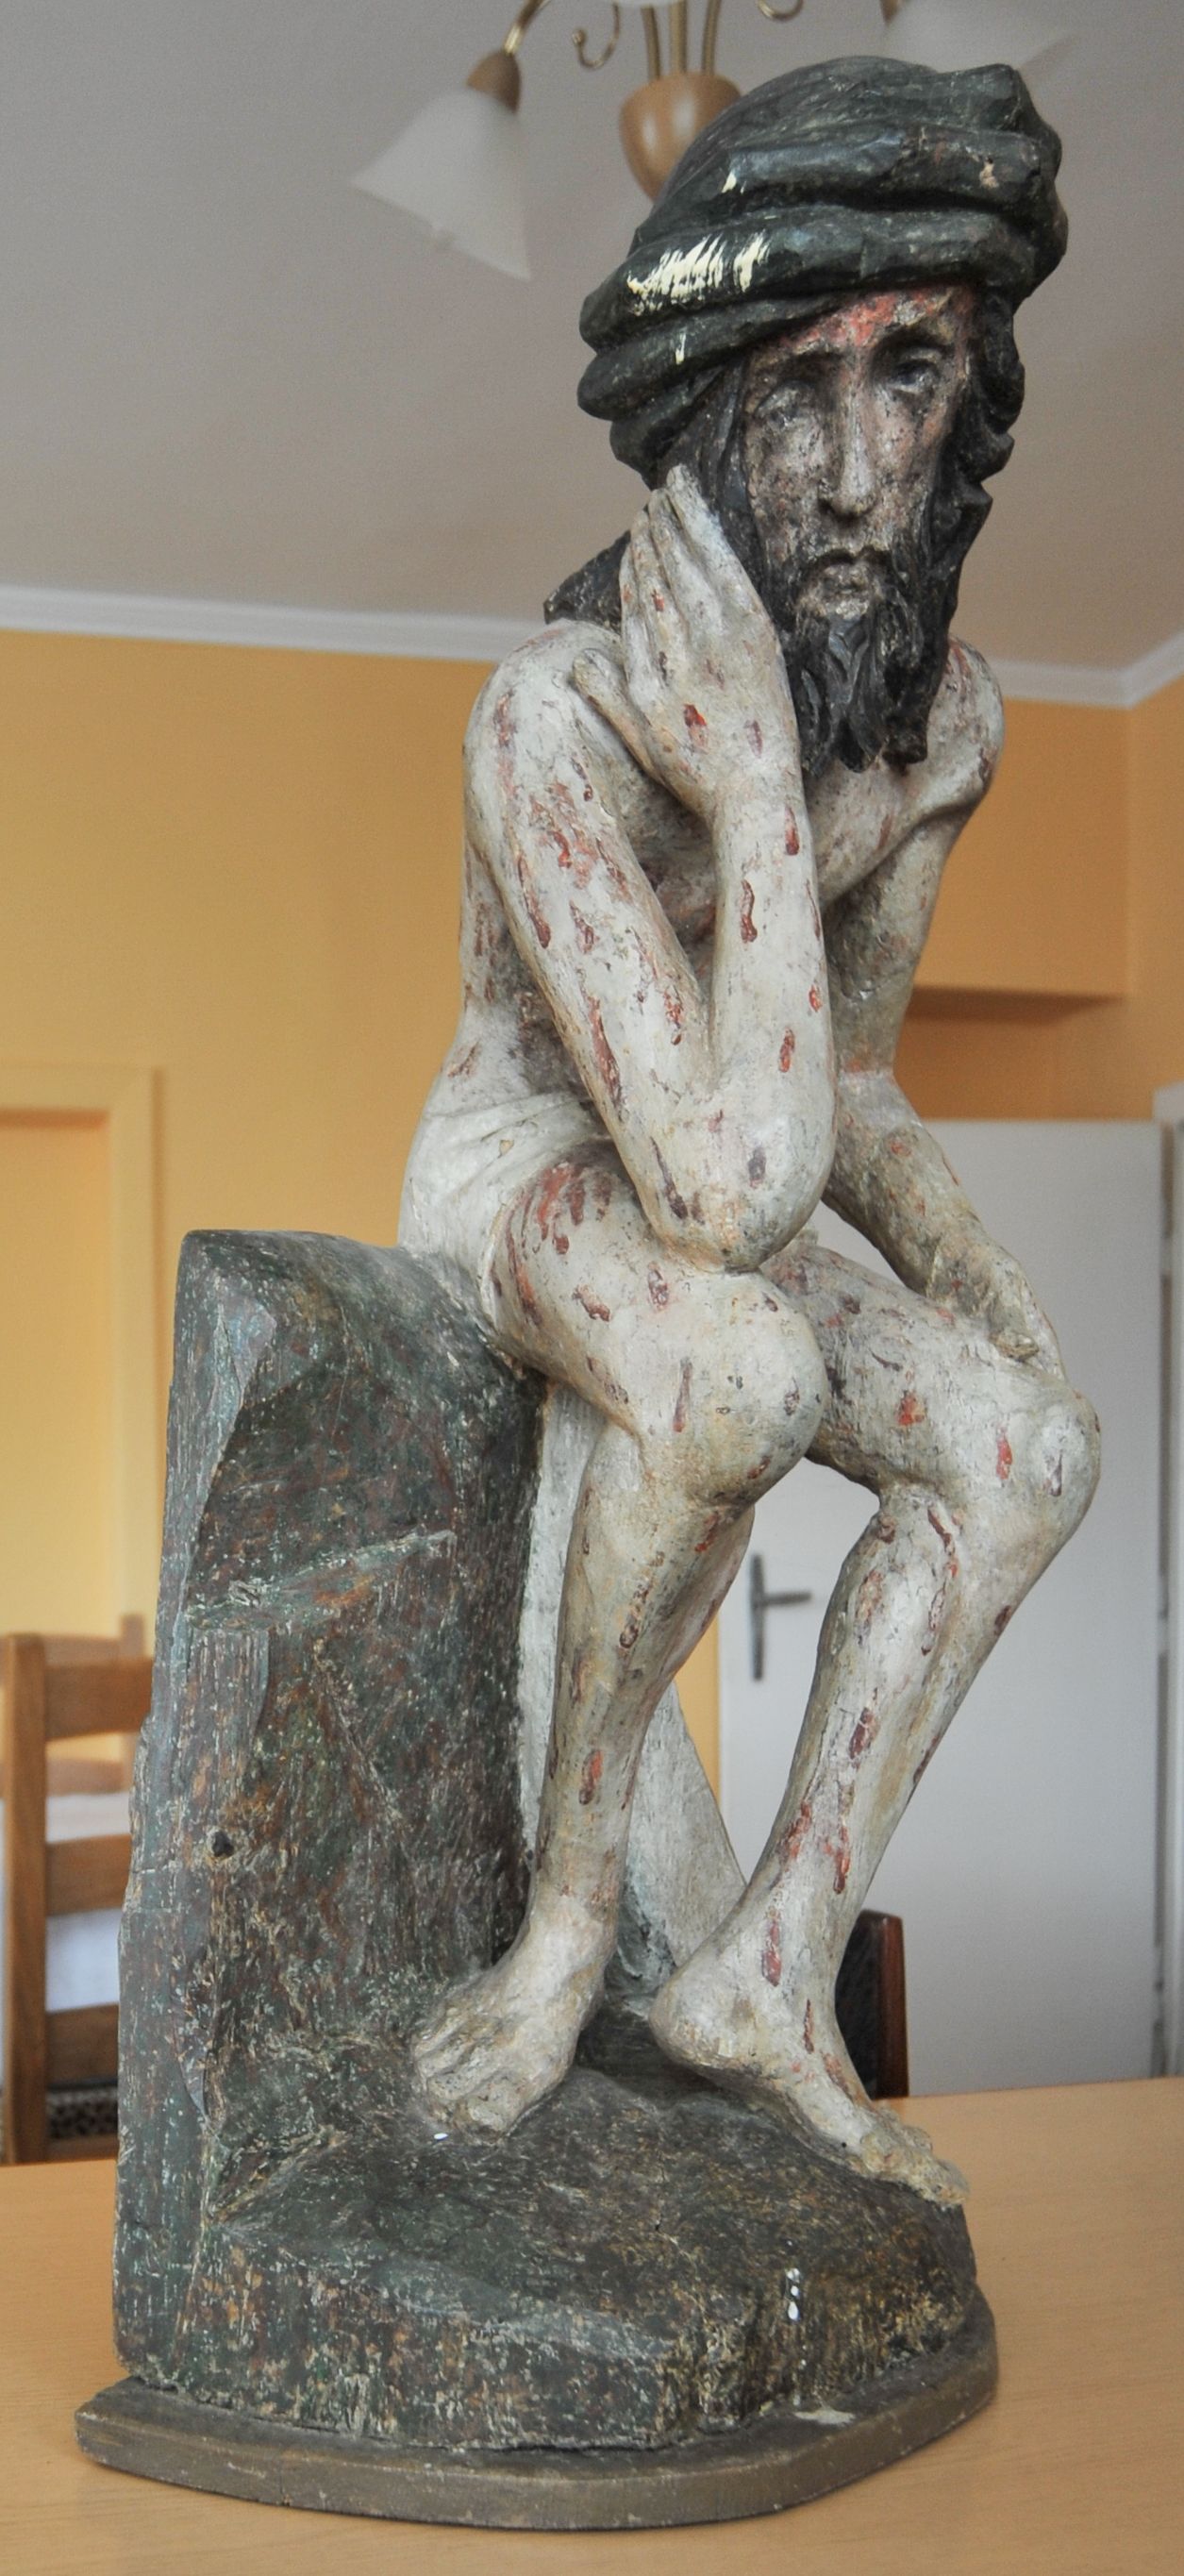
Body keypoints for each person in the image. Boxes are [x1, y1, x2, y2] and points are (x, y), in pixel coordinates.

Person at [401, 58, 1098, 2200]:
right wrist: (754, 793)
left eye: (913, 377)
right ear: (702, 426)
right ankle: (568, 1926)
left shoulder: (941, 723)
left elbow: (846, 1085)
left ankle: (770, 1971)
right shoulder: (556, 718)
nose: (864, 473)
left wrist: (993, 1298)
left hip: (743, 1152)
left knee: (1026, 1450)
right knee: (738, 1373)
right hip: (538, 1166)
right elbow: (717, 1194)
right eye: (796, 396)